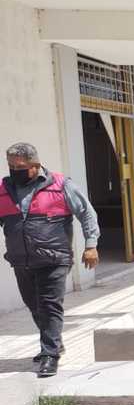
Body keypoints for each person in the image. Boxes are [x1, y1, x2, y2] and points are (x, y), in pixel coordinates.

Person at [0, 143, 99, 378]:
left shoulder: (60, 184)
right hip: (21, 259)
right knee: (33, 304)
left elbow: (86, 213)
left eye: (20, 167)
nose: (15, 171)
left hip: (55, 257)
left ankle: (50, 354)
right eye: (11, 166)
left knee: (49, 304)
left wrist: (91, 245)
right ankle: (55, 343)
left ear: (35, 165)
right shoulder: (3, 189)